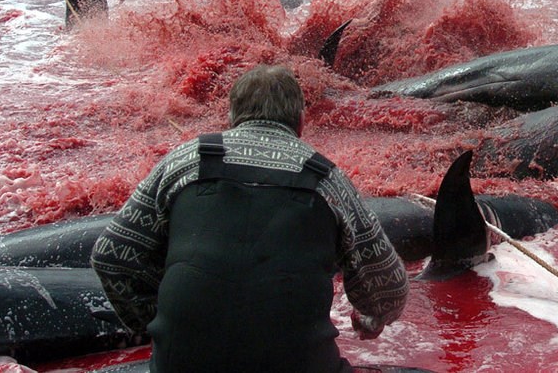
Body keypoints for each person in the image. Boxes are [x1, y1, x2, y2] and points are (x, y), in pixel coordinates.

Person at [90, 64, 409, 373]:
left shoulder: (184, 162)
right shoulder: (327, 179)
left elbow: (110, 257)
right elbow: (389, 287)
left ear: (231, 117)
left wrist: (150, 320)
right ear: (300, 123)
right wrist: (370, 320)